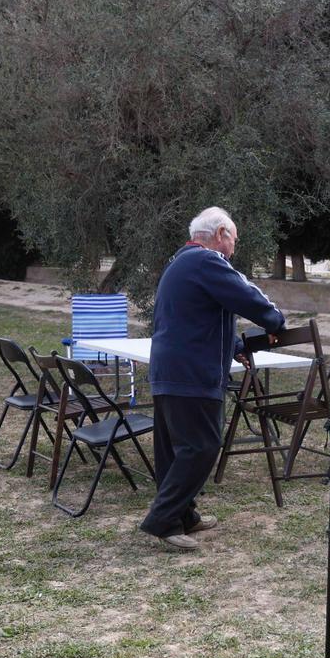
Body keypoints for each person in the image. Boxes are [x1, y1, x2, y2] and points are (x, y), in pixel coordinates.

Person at [140, 207, 286, 551]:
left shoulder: (181, 263)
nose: (234, 249)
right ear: (221, 233)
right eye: (234, 239)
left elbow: (195, 316)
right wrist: (276, 319)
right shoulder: (207, 261)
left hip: (169, 370)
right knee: (202, 446)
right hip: (191, 373)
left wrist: (234, 344)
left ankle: (183, 516)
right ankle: (162, 520)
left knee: (173, 450)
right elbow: (247, 295)